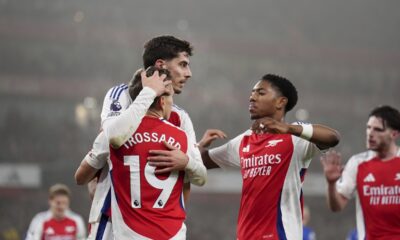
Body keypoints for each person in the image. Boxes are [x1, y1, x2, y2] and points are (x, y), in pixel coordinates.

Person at [76, 35, 225, 239]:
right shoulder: (121, 95)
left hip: (158, 225)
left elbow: (190, 178)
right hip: (111, 218)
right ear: (160, 64)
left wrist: (190, 157)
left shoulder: (180, 117)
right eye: (183, 64)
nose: (188, 73)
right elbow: (113, 137)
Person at [200, 74, 340, 240]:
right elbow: (202, 161)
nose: (252, 97)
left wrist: (288, 129)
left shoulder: (295, 137)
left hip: (281, 235)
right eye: (252, 93)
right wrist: (201, 144)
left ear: (281, 102)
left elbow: (333, 137)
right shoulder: (244, 140)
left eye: (260, 92)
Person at [105, 67, 206, 239]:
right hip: (172, 234)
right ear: (162, 101)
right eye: (171, 97)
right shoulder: (181, 135)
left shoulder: (118, 131)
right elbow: (201, 178)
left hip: (130, 234)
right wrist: (187, 162)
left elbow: (81, 177)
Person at [320, 105, 400, 239]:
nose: (370, 134)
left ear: (394, 134)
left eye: (378, 129)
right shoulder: (357, 163)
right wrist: (331, 184)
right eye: (368, 128)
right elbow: (336, 206)